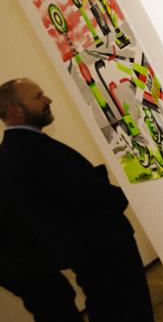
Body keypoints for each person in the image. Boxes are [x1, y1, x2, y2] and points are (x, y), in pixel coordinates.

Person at [0, 78, 153, 322]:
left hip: (92, 253)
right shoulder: (27, 150)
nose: (48, 100)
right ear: (14, 110)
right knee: (123, 310)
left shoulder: (19, 149)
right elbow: (85, 198)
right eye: (38, 96)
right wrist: (130, 191)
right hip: (101, 252)